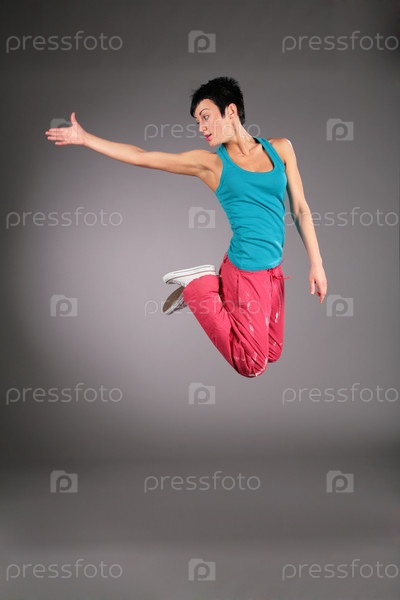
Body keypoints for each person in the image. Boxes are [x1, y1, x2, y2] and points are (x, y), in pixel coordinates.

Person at [45, 76, 327, 378]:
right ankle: (198, 287)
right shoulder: (211, 165)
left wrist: (317, 263)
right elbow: (142, 157)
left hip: (273, 270)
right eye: (197, 122)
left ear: (231, 111)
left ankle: (208, 287)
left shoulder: (280, 148)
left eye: (205, 117)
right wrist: (86, 138)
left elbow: (300, 208)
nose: (201, 128)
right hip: (245, 271)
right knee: (251, 364)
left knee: (272, 351)